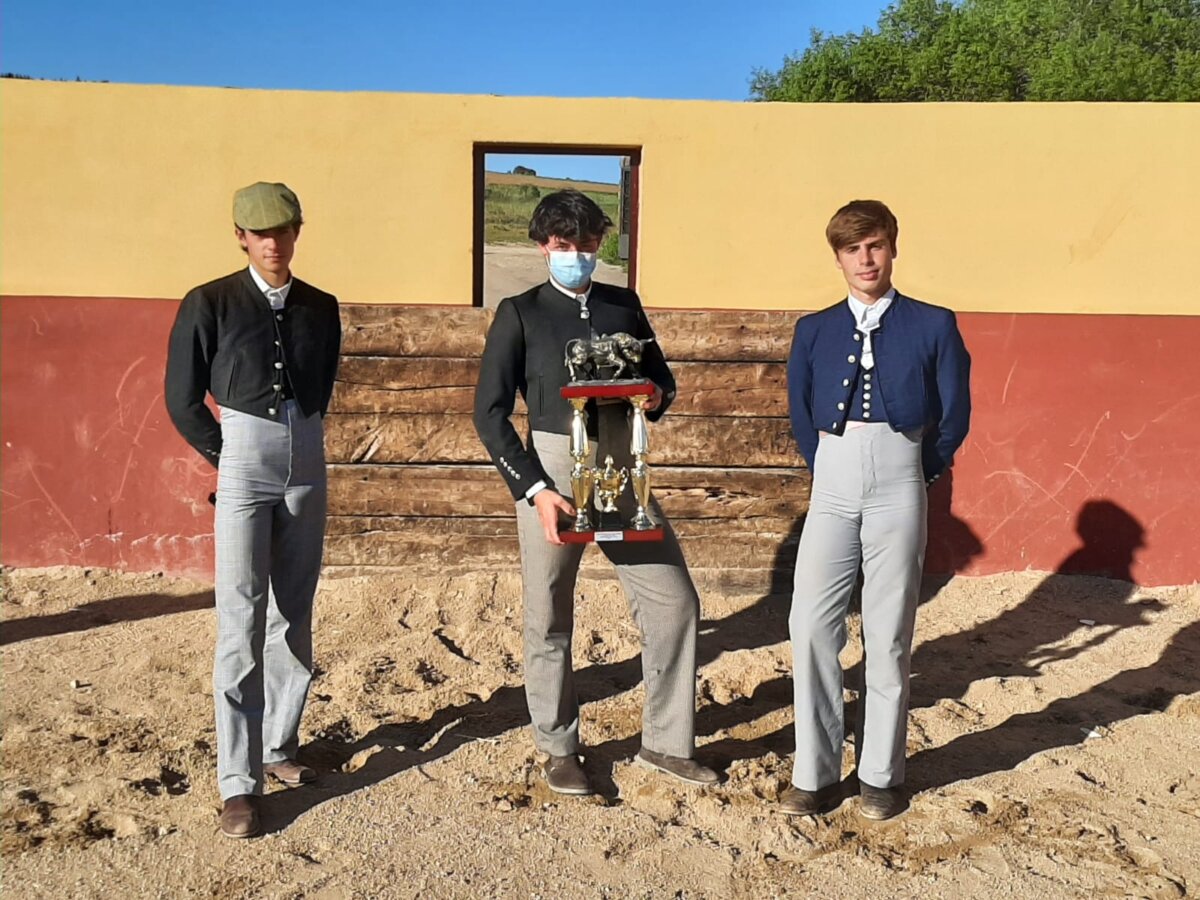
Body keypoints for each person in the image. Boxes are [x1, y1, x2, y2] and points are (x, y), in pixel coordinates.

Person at [473, 190, 719, 795]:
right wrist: (534, 489)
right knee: (548, 611)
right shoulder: (520, 312)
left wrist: (654, 396)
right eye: (564, 245)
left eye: (587, 244)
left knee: (674, 601)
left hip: (619, 462)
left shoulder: (622, 303)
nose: (577, 254)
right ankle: (558, 748)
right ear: (543, 247)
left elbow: (662, 380)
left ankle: (666, 742)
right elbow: (489, 413)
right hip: (553, 469)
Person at [783, 200, 971, 820]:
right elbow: (800, 409)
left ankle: (880, 775)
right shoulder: (814, 328)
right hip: (832, 480)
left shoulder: (934, 323)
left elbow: (955, 413)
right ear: (838, 258)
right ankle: (813, 772)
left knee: (888, 630)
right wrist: (826, 465)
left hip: (900, 475)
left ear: (893, 248)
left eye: (875, 246)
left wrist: (920, 470)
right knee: (811, 623)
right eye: (852, 249)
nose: (865, 259)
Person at [165, 182, 341, 838]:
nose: (273, 243)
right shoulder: (209, 301)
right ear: (240, 236)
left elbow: (320, 382)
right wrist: (228, 455)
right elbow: (182, 398)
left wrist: (299, 439)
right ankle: (238, 781)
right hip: (242, 455)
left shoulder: (320, 306)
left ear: (297, 232)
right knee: (241, 616)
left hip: (306, 457)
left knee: (294, 610)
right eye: (260, 233)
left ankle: (278, 745)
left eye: (282, 231)